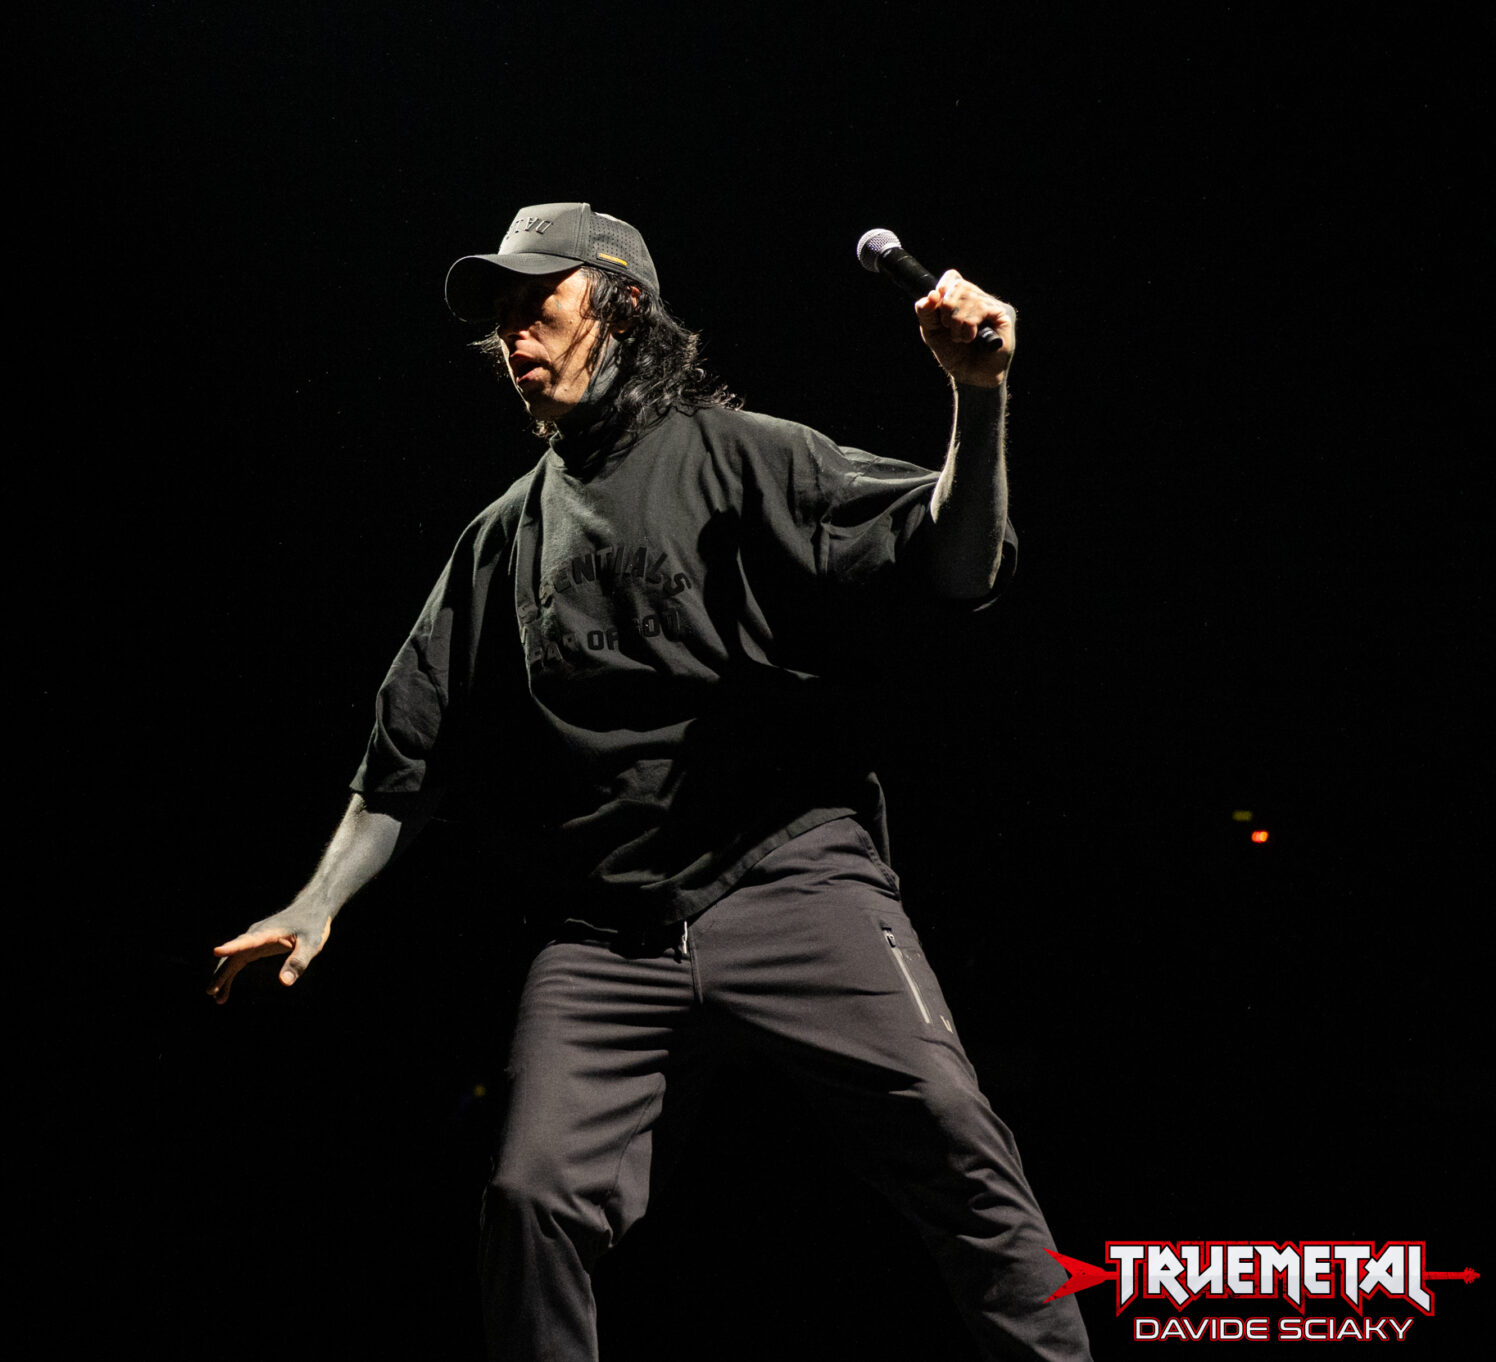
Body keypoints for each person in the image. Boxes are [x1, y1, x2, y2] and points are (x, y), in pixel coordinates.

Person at [208, 202, 1092, 1361]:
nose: (512, 334)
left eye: (537, 302)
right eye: (499, 317)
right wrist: (312, 903)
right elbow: (404, 757)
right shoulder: (500, 540)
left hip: (787, 877)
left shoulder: (746, 455)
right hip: (606, 932)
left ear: (623, 310)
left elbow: (959, 563)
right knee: (529, 1200)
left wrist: (977, 398)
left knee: (950, 1134)